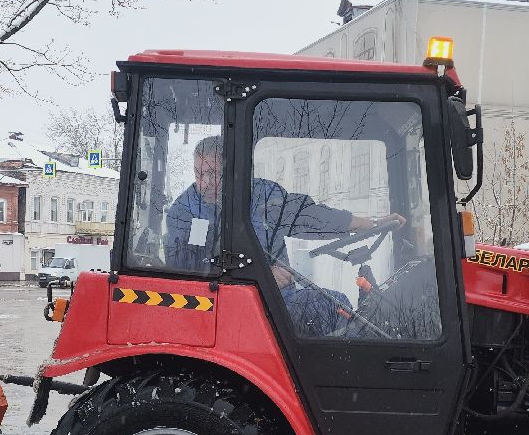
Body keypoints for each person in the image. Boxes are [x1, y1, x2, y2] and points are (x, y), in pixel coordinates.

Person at [165, 134, 403, 335]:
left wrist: (370, 224)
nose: (204, 183)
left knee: (336, 304)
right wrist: (258, 274)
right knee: (329, 308)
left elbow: (309, 216)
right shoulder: (184, 213)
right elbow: (187, 272)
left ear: (232, 171)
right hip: (224, 308)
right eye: (198, 173)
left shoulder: (261, 196)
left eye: (213, 174)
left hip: (276, 299)